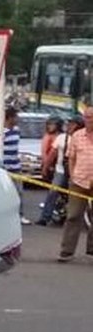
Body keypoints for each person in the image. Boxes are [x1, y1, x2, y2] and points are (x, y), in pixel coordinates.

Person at [58, 106, 93, 262]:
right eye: (87, 117)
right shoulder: (77, 136)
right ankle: (67, 251)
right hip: (79, 181)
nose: (89, 120)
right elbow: (71, 158)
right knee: (73, 215)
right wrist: (72, 176)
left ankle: (92, 249)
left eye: (91, 117)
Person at [0, 106, 29, 224]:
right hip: (2, 168)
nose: (18, 119)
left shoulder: (16, 130)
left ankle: (19, 215)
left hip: (15, 167)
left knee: (19, 192)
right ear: (9, 118)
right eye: (16, 117)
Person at [38, 115, 79, 226]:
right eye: (69, 124)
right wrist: (45, 167)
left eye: (73, 124)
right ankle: (45, 217)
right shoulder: (62, 137)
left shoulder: (83, 138)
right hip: (61, 171)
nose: (69, 126)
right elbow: (52, 154)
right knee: (53, 192)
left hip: (78, 172)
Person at [40, 115, 63, 183]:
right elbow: (44, 152)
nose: (49, 126)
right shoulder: (47, 136)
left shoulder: (63, 136)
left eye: (52, 124)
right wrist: (46, 166)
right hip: (50, 164)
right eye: (48, 124)